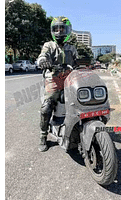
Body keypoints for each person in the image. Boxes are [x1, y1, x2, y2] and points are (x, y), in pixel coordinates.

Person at [37, 16, 78, 152]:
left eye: (62, 28)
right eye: (56, 29)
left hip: (70, 80)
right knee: (46, 107)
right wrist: (43, 61)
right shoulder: (49, 45)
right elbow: (42, 56)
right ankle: (43, 136)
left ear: (68, 30)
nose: (59, 31)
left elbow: (78, 62)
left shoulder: (72, 48)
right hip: (53, 80)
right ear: (52, 31)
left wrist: (86, 65)